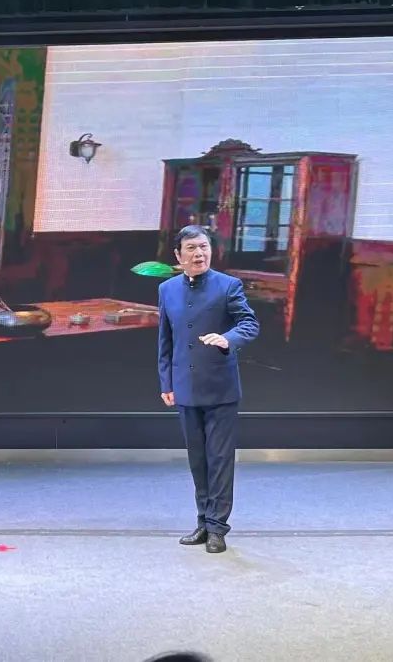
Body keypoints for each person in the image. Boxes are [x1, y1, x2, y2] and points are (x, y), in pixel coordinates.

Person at [157, 225, 259, 553]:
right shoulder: (167, 289)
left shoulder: (228, 285)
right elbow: (166, 340)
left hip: (220, 389)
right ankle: (202, 521)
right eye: (191, 248)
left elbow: (249, 324)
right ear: (178, 255)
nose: (199, 253)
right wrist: (167, 382)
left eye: (204, 247)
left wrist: (227, 339)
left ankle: (217, 528)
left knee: (219, 460)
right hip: (185, 388)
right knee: (198, 460)